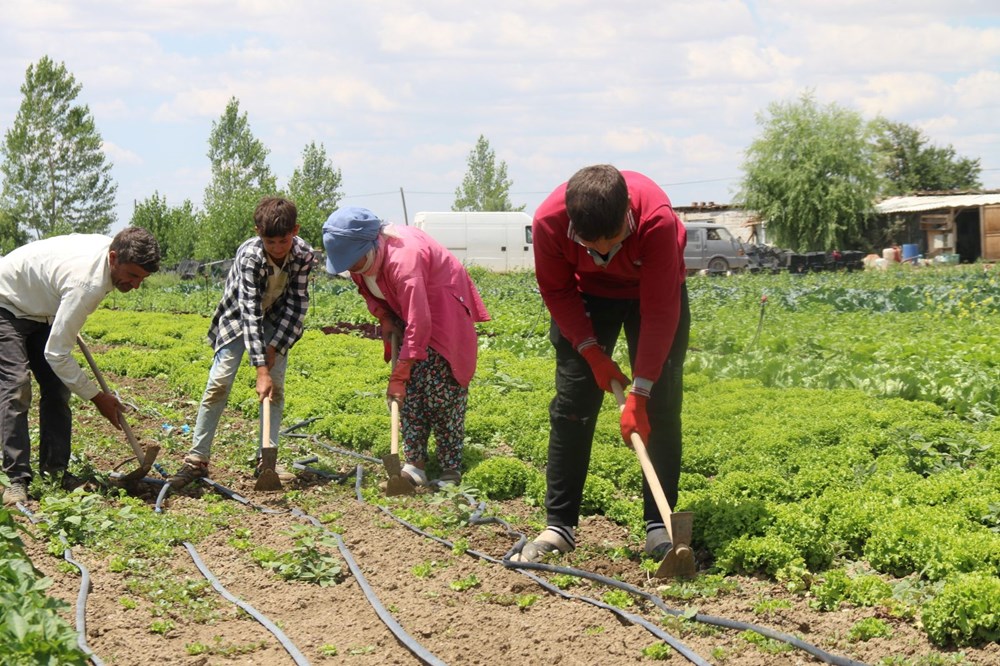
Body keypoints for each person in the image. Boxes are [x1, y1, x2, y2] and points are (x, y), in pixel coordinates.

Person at [512, 164, 690, 563]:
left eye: (615, 241)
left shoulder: (657, 221)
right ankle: (559, 526)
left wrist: (640, 393)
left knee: (661, 406)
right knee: (572, 405)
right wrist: (592, 353)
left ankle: (659, 527)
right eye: (593, 245)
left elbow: (661, 311)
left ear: (627, 214)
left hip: (653, 293)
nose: (605, 254)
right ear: (574, 227)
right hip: (587, 296)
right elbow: (556, 289)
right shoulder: (548, 222)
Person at [321, 206, 489, 486]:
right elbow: (369, 292)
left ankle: (450, 468)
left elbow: (419, 320)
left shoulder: (404, 259)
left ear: (368, 246)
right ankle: (414, 466)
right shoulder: (360, 263)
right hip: (408, 310)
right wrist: (385, 317)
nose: (350, 267)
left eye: (352, 260)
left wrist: (400, 374)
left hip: (443, 311)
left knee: (442, 393)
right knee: (409, 397)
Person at [1, 227, 161, 506]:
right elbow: (57, 354)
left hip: (42, 307)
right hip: (7, 301)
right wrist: (97, 398)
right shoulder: (86, 283)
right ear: (113, 257)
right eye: (133, 275)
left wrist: (64, 313)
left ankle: (56, 472)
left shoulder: (110, 256)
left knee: (57, 387)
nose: (136, 285)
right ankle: (16, 479)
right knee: (16, 385)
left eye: (142, 279)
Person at [169, 197, 315, 488]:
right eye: (270, 241)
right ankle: (197, 459)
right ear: (258, 232)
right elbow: (249, 312)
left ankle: (266, 460)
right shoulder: (250, 255)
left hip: (278, 318)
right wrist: (260, 367)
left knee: (275, 388)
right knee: (219, 383)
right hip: (238, 317)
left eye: (283, 241)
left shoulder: (304, 254)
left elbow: (297, 304)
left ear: (295, 231)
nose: (277, 247)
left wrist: (273, 347)